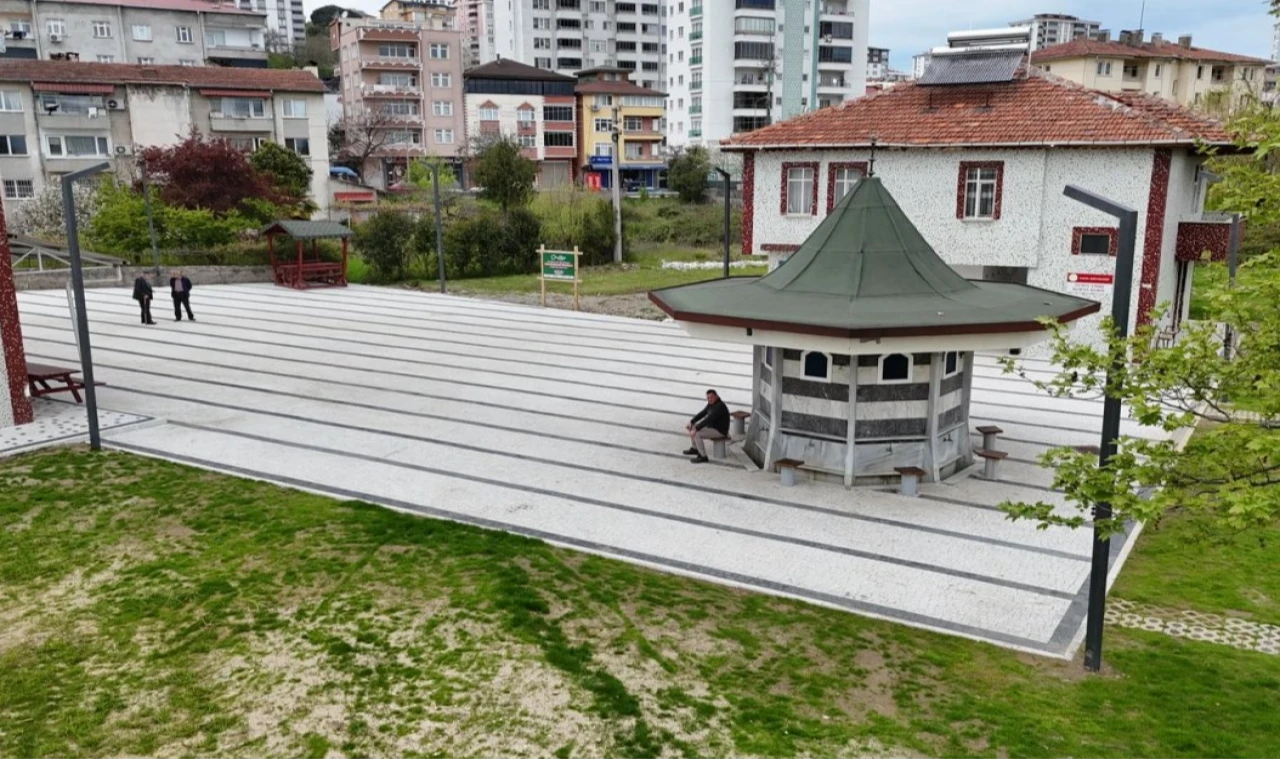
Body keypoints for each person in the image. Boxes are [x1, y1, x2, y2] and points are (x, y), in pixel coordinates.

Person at [685, 389, 730, 464]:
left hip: (719, 431)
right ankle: (695, 448)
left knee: (696, 433)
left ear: (716, 396)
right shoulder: (711, 404)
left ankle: (703, 456)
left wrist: (696, 429)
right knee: (692, 427)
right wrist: (691, 422)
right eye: (708, 398)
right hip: (712, 428)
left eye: (711, 397)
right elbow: (702, 413)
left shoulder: (720, 407)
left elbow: (708, 420)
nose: (710, 399)